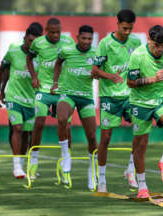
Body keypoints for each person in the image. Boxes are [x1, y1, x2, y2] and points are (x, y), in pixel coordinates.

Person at [91, 9, 141, 192]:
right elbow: (94, 70)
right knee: (105, 138)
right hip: (109, 97)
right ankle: (102, 180)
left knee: (140, 131)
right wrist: (110, 76)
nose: (127, 32)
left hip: (130, 95)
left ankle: (131, 169)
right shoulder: (105, 44)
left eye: (130, 28)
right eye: (124, 28)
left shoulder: (135, 42)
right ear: (117, 23)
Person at [127, 25, 163, 198]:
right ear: (149, 39)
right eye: (157, 45)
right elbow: (130, 82)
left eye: (162, 45)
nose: (160, 49)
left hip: (162, 101)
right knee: (140, 146)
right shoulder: (137, 56)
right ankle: (142, 186)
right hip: (140, 103)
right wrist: (152, 79)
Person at [26, 18, 75, 179]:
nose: (55, 35)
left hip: (63, 91)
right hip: (43, 90)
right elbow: (29, 58)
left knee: (66, 126)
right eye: (52, 32)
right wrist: (33, 76)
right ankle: (33, 161)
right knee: (39, 123)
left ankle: (65, 160)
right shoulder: (38, 43)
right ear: (46, 30)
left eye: (58, 32)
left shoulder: (68, 41)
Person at [51, 25, 97, 189]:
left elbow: (101, 71)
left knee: (92, 137)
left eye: (90, 39)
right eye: (84, 38)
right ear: (77, 37)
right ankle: (65, 155)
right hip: (68, 93)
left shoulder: (97, 54)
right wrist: (56, 83)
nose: (86, 42)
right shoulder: (66, 50)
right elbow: (58, 64)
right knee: (62, 118)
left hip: (86, 98)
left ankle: (92, 171)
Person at [0, 22, 43, 178]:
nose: (31, 45)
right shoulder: (13, 50)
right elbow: (3, 70)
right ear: (24, 38)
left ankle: (21, 165)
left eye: (35, 42)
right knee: (17, 128)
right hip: (13, 96)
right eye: (30, 41)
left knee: (26, 134)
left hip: (32, 100)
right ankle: (16, 167)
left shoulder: (42, 55)